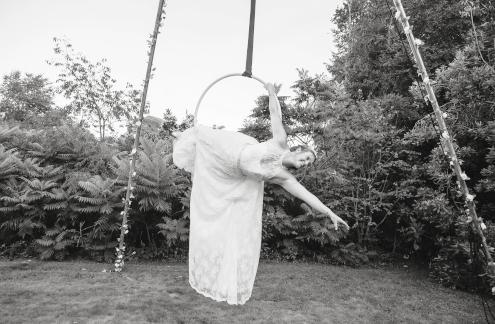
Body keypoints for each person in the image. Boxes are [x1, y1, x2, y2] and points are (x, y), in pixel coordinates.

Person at [172, 83, 349, 305]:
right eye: (306, 158)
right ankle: (186, 136)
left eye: (308, 164)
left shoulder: (284, 177)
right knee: (205, 137)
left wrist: (329, 212)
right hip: (231, 152)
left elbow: (307, 196)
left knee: (225, 204)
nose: (304, 164)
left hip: (233, 175)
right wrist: (272, 93)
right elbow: (276, 115)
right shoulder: (280, 143)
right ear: (297, 150)